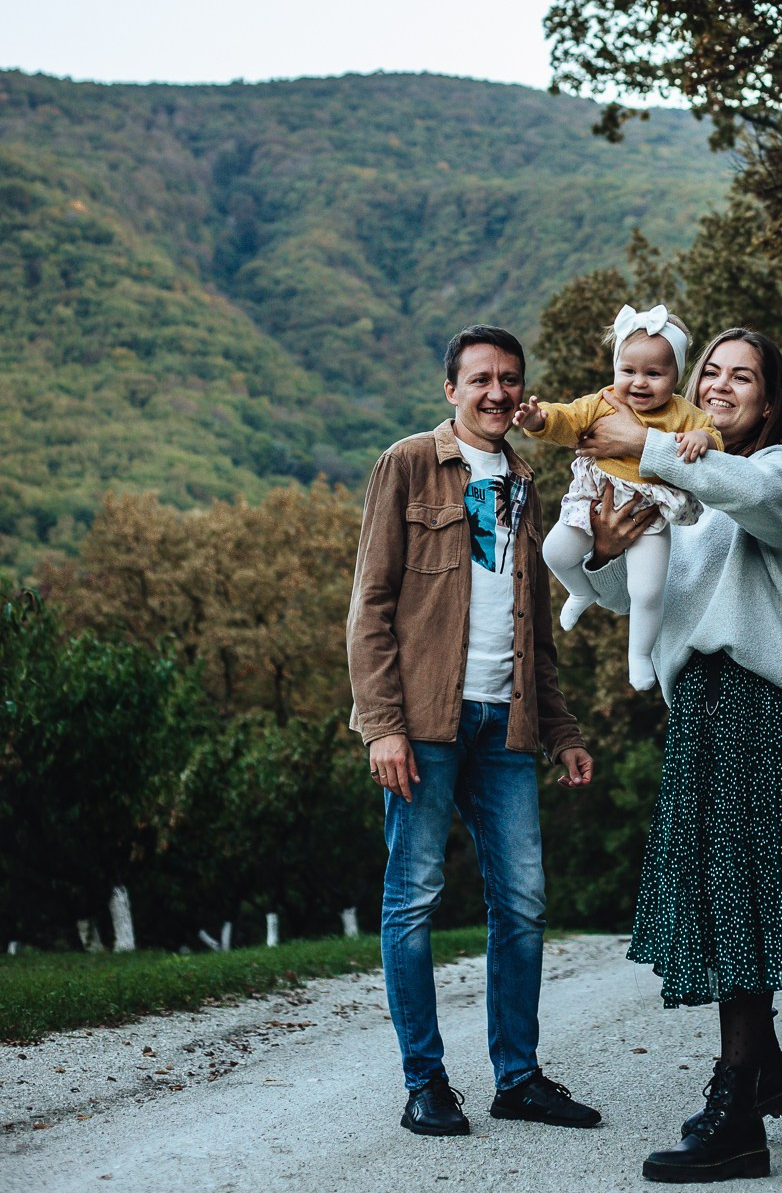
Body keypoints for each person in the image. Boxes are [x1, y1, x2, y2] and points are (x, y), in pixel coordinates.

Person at [574, 327, 782, 1184]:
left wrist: (649, 443)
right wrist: (600, 553)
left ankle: (738, 1110)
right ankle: (766, 1069)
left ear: (769, 401)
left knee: (741, 900)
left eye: (741, 377)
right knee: (716, 896)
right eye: (710, 370)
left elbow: (735, 485)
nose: (720, 384)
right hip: (702, 705)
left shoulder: (777, 474)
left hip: (762, 703)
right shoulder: (693, 496)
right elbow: (639, 595)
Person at [346, 325, 601, 1138]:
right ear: (450, 388)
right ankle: (426, 1083)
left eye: (510, 379)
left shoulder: (527, 480)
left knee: (523, 904)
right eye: (480, 378)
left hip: (508, 726)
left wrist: (561, 730)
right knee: (413, 901)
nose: (496, 391)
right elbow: (370, 605)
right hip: (422, 725)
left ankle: (518, 1078)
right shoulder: (409, 464)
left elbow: (538, 631)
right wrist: (382, 726)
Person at [514, 303, 722, 690]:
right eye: (629, 371)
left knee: (647, 590)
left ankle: (640, 655)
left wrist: (702, 438)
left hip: (651, 512)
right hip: (595, 498)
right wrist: (539, 421)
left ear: (676, 376)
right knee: (554, 551)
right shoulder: (604, 401)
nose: (639, 382)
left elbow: (712, 434)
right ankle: (580, 590)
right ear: (615, 369)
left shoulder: (683, 414)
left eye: (654, 374)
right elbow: (568, 419)